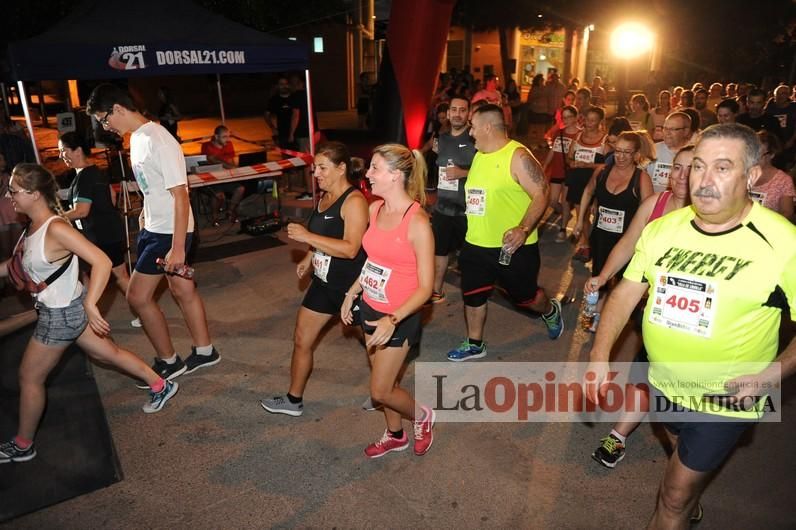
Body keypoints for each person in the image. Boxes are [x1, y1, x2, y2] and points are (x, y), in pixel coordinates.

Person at [587, 123, 796, 527]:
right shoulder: (665, 229)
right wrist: (599, 355)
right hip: (663, 383)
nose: (704, 179)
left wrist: (772, 374)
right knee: (680, 447)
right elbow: (627, 292)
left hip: (726, 397)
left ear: (751, 176)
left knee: (671, 496)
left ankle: (681, 501)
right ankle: (688, 489)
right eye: (698, 166)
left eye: (722, 168)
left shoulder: (783, 244)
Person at [0, 164, 178, 464]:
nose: (9, 196)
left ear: (34, 194)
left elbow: (102, 262)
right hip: (68, 308)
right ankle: (161, 384)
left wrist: (92, 303)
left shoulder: (55, 228)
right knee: (108, 353)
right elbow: (13, 266)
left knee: (29, 377)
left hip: (61, 316)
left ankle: (23, 444)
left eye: (14, 191)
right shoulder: (33, 227)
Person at [87, 84, 220, 384]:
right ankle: (205, 351)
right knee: (182, 290)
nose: (105, 126)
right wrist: (144, 219)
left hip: (169, 233)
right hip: (155, 227)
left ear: (118, 109)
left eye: (105, 119)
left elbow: (181, 195)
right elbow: (154, 188)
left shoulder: (159, 139)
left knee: (137, 296)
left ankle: (169, 362)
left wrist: (178, 249)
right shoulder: (138, 139)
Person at [587, 148, 695, 469]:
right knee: (646, 375)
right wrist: (603, 275)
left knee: (678, 408)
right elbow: (629, 243)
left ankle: (686, 480)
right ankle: (619, 436)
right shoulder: (655, 204)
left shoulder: (709, 218)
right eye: (677, 168)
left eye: (690, 170)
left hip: (692, 327)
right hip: (654, 315)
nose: (680, 177)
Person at [339, 143, 436, 459]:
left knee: (380, 389)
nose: (367, 174)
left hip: (399, 317)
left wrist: (392, 319)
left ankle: (422, 417)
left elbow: (426, 288)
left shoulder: (418, 222)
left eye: (375, 168)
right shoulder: (374, 209)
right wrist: (352, 291)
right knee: (386, 381)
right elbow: (372, 260)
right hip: (370, 306)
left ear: (395, 175)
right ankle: (395, 435)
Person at [446, 104, 564, 363]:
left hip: (512, 248)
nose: (471, 132)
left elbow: (542, 193)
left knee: (527, 299)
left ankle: (550, 309)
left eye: (473, 126)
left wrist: (523, 228)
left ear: (488, 127)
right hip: (475, 244)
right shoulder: (481, 154)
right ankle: (475, 344)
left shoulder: (518, 156)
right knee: (473, 295)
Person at [261, 142, 368, 416]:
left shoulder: (354, 201)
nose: (316, 173)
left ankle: (384, 393)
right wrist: (309, 256)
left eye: (322, 167)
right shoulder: (323, 196)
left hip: (351, 289)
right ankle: (293, 400)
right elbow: (324, 233)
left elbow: (351, 247)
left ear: (341, 168)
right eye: (315, 168)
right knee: (301, 339)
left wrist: (307, 237)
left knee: (373, 344)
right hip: (323, 284)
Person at [575, 131, 654, 329]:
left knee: (622, 283)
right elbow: (587, 191)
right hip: (601, 236)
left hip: (627, 241)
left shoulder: (641, 179)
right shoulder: (602, 171)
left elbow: (649, 212)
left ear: (636, 154)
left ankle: (615, 319)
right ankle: (594, 317)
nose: (620, 156)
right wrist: (579, 221)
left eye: (627, 152)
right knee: (599, 276)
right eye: (618, 151)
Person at [59, 132, 131, 306]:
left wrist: (55, 218)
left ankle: (144, 309)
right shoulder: (93, 172)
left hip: (102, 236)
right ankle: (91, 315)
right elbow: (112, 197)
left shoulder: (85, 176)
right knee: (90, 274)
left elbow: (81, 211)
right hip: (104, 233)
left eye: (64, 150)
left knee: (118, 276)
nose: (61, 155)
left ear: (78, 151)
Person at [429, 97, 476, 304]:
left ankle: (474, 296)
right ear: (448, 113)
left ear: (469, 114)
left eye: (462, 110)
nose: (457, 114)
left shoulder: (476, 140)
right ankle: (436, 291)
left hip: (468, 209)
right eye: (454, 110)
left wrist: (462, 172)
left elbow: (488, 172)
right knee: (439, 251)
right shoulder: (441, 139)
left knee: (469, 256)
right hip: (443, 207)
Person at [566, 106, 607, 261]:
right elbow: (568, 158)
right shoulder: (577, 136)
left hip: (595, 181)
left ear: (599, 121)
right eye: (587, 119)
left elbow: (607, 165)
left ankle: (591, 244)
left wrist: (587, 165)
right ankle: (585, 245)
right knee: (581, 215)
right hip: (578, 180)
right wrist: (573, 163)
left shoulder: (605, 140)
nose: (588, 123)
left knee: (596, 216)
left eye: (592, 120)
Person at [542, 105, 580, 241]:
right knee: (552, 201)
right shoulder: (559, 132)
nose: (566, 119)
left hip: (570, 172)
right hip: (557, 170)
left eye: (569, 116)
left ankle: (563, 229)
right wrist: (545, 166)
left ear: (576, 117)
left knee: (565, 201)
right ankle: (566, 214)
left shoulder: (580, 135)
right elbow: (553, 151)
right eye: (564, 117)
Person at [201, 125, 245, 224]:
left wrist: (234, 169)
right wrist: (230, 167)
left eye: (228, 136)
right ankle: (214, 217)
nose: (227, 139)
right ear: (216, 137)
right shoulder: (207, 146)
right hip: (213, 179)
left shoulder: (229, 144)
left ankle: (230, 211)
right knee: (219, 195)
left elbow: (231, 161)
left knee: (240, 189)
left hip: (226, 178)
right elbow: (212, 159)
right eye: (224, 137)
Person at [751, 131, 795, 219]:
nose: (753, 158)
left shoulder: (783, 180)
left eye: (758, 155)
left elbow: (787, 213)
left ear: (771, 155)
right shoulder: (742, 174)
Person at [289, 75, 319, 200]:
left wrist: (291, 133)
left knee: (307, 162)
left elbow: (296, 116)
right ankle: (314, 188)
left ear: (300, 83)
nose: (292, 85)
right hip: (314, 131)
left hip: (304, 133)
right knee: (312, 161)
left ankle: (310, 191)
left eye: (294, 83)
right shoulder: (309, 94)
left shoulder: (297, 96)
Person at [647, 112, 692, 192]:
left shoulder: (694, 154)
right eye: (665, 128)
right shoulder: (651, 150)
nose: (667, 133)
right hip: (654, 202)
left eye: (672, 129)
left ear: (686, 131)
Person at [0, 152, 24, 260]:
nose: (2, 162)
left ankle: (17, 273)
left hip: (15, 216)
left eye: (3, 159)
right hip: (1, 218)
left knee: (17, 249)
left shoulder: (9, 177)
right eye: (0, 160)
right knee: (5, 250)